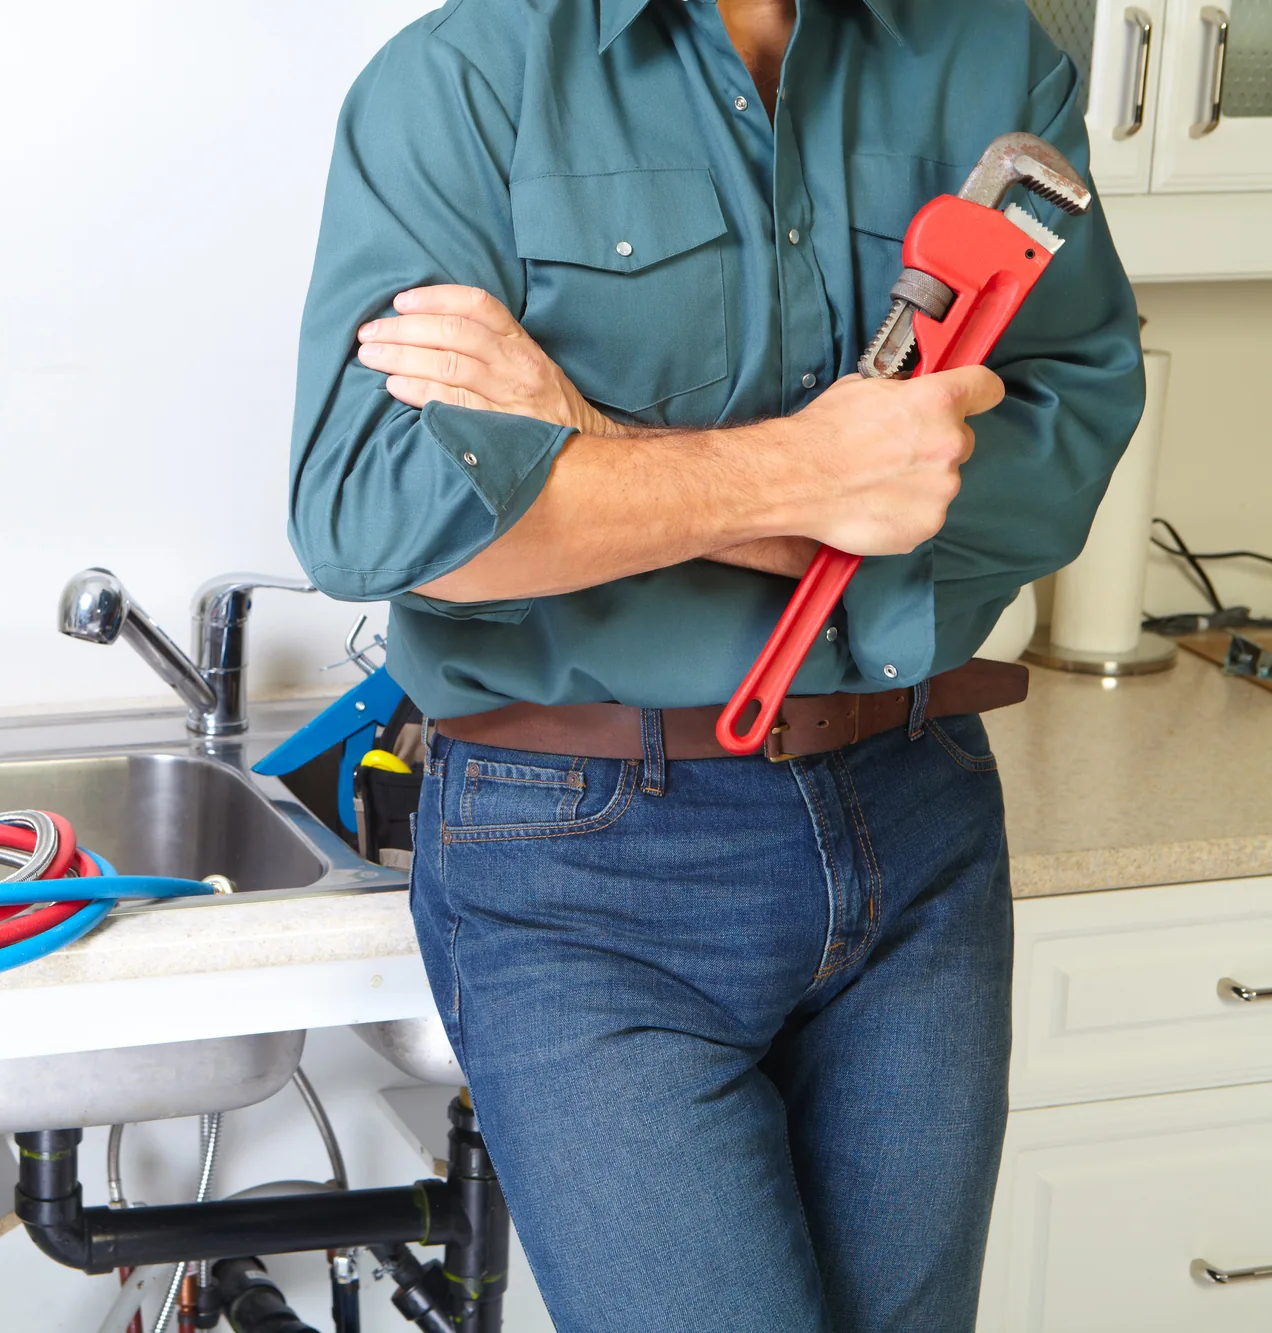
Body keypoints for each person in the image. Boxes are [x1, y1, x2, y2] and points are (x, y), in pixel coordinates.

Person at [286, 1, 1144, 1329]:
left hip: (919, 825)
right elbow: (383, 519)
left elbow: (1058, 469)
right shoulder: (462, 82)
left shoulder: (995, 60)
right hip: (579, 862)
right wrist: (818, 478)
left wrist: (586, 448)